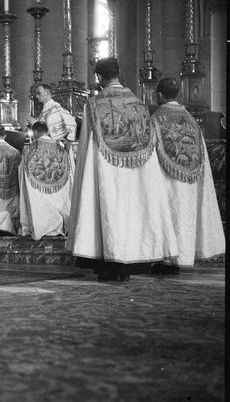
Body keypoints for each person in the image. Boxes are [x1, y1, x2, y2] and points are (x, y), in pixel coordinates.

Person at [66, 57, 179, 281]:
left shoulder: (94, 104)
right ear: (119, 73)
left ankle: (109, 264)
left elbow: (87, 144)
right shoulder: (139, 104)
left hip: (105, 169)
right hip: (136, 170)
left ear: (99, 77)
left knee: (108, 212)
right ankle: (131, 261)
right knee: (132, 212)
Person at [149, 77, 225, 272]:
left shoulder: (156, 118)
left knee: (169, 212)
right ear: (178, 94)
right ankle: (184, 256)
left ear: (159, 95)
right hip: (191, 177)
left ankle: (167, 259)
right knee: (185, 215)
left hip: (166, 176)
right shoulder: (191, 120)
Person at [19, 121, 73, 239]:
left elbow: (22, 170)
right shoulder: (61, 148)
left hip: (38, 186)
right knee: (57, 203)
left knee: (40, 204)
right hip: (57, 185)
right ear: (47, 131)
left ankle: (40, 228)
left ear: (35, 132)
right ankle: (59, 226)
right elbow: (69, 169)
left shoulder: (29, 149)